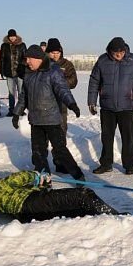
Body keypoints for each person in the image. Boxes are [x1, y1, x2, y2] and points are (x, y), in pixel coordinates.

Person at [12, 45, 84, 181]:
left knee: (60, 150)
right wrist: (16, 113)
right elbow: (24, 96)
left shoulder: (53, 72)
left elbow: (63, 89)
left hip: (51, 119)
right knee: (38, 152)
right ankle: (44, 178)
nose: (27, 62)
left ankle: (78, 176)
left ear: (38, 59)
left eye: (29, 59)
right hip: (35, 119)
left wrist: (71, 104)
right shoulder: (28, 74)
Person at [87, 37, 133, 175]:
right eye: (116, 53)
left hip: (127, 107)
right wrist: (91, 101)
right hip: (107, 107)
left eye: (121, 52)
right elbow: (94, 81)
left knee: (127, 138)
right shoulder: (102, 60)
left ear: (124, 50)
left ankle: (129, 165)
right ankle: (106, 164)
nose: (119, 55)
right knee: (106, 137)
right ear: (110, 51)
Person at [0, 171, 120, 222]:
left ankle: (105, 219)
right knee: (82, 195)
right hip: (30, 202)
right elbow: (19, 177)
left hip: (25, 215)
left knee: (77, 210)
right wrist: (36, 175)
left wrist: (44, 184)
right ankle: (118, 217)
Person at [46, 37, 78, 173]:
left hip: (61, 104)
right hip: (45, 103)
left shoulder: (67, 64)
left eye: (57, 52)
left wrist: (59, 83)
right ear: (48, 52)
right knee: (44, 134)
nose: (55, 54)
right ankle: (41, 164)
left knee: (61, 132)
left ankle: (60, 161)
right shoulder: (43, 64)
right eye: (52, 52)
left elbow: (74, 81)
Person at [0, 29, 27, 116]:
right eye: (10, 36)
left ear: (16, 36)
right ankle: (11, 110)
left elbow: (25, 58)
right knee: (11, 93)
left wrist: (23, 68)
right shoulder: (4, 46)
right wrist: (2, 70)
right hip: (9, 73)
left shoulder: (22, 45)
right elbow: (2, 59)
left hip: (19, 73)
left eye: (13, 36)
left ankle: (20, 109)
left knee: (20, 92)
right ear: (8, 37)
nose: (12, 38)